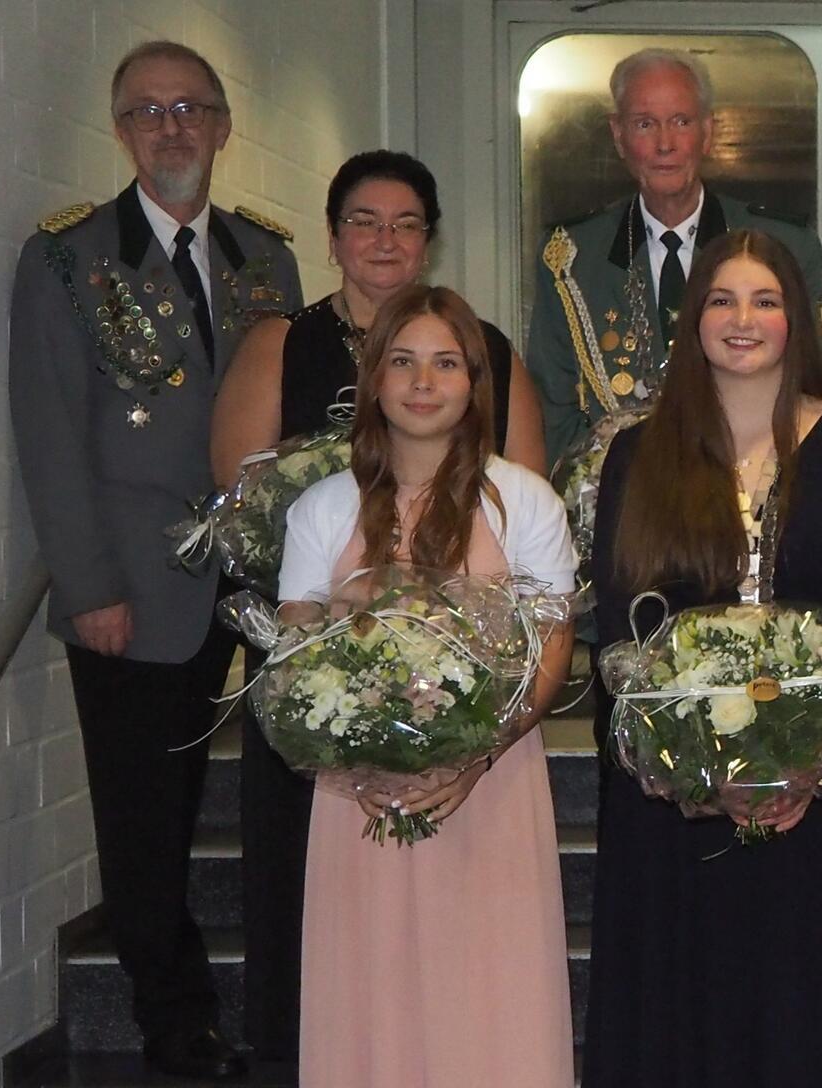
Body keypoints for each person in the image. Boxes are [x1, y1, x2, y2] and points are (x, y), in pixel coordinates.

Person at [208, 149, 546, 1062]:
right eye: (364, 220)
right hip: (325, 662)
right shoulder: (282, 343)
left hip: (462, 684)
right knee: (312, 908)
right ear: (332, 237)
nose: (384, 239)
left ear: (428, 240)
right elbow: (241, 507)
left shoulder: (490, 350)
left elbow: (527, 547)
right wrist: (351, 665)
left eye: (405, 223)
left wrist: (442, 665)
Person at [6, 40, 300, 1080]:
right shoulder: (68, 258)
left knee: (276, 795)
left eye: (191, 109)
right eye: (147, 111)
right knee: (146, 816)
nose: (171, 127)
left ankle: (283, 995)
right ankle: (173, 1013)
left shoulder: (269, 257)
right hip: (136, 582)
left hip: (255, 577)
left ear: (223, 126)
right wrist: (88, 588)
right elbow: (50, 435)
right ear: (121, 131)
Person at [584, 229, 822, 1087]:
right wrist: (698, 773)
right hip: (678, 813)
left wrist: (806, 769)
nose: (743, 319)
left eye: (765, 300)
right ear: (694, 319)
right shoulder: (637, 453)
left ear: (797, 320)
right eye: (722, 300)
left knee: (811, 1022)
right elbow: (623, 632)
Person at [277, 285, 576, 1087]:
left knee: (490, 992)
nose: (422, 380)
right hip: (358, 800)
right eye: (403, 361)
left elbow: (552, 645)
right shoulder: (321, 507)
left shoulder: (525, 500)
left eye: (446, 363)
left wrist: (478, 756)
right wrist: (352, 768)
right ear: (374, 379)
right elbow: (298, 658)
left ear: (475, 385)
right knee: (370, 995)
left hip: (492, 786)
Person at [527, 47, 822, 465]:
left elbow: (810, 383)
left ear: (707, 133)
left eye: (681, 122)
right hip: (616, 492)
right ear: (618, 136)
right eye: (645, 124)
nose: (665, 144)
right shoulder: (572, 259)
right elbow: (553, 406)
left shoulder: (784, 246)